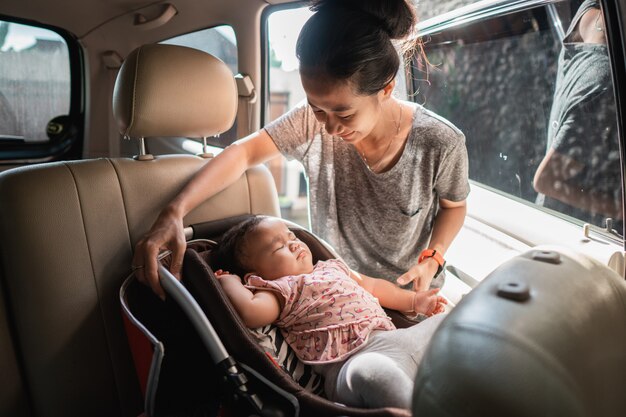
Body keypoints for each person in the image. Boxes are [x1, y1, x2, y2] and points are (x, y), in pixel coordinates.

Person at [133, 0, 470, 299]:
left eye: (344, 113)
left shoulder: (439, 142)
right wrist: (174, 212)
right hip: (332, 294)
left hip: (409, 302)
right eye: (317, 108)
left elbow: (453, 207)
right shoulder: (309, 122)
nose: (329, 127)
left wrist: (434, 257)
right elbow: (244, 153)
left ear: (386, 89)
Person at [212, 215, 447, 410]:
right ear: (255, 277)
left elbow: (373, 286)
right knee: (374, 375)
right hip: (352, 363)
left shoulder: (331, 267)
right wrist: (228, 282)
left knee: (450, 323)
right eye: (279, 247)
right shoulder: (281, 290)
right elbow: (250, 311)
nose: (294, 243)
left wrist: (414, 300)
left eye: (291, 236)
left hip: (394, 339)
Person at [534, 0, 622, 231]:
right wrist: (621, 208)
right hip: (579, 235)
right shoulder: (604, 85)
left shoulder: (590, 9)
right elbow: (548, 180)